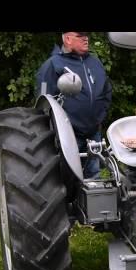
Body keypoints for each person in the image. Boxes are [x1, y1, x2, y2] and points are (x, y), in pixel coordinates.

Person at [35, 32, 112, 179]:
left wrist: (100, 117)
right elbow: (43, 101)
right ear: (68, 39)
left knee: (94, 176)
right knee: (67, 178)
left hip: (93, 131)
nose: (86, 38)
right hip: (68, 134)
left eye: (87, 35)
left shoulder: (95, 62)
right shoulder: (53, 64)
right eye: (81, 35)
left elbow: (106, 90)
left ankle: (94, 202)